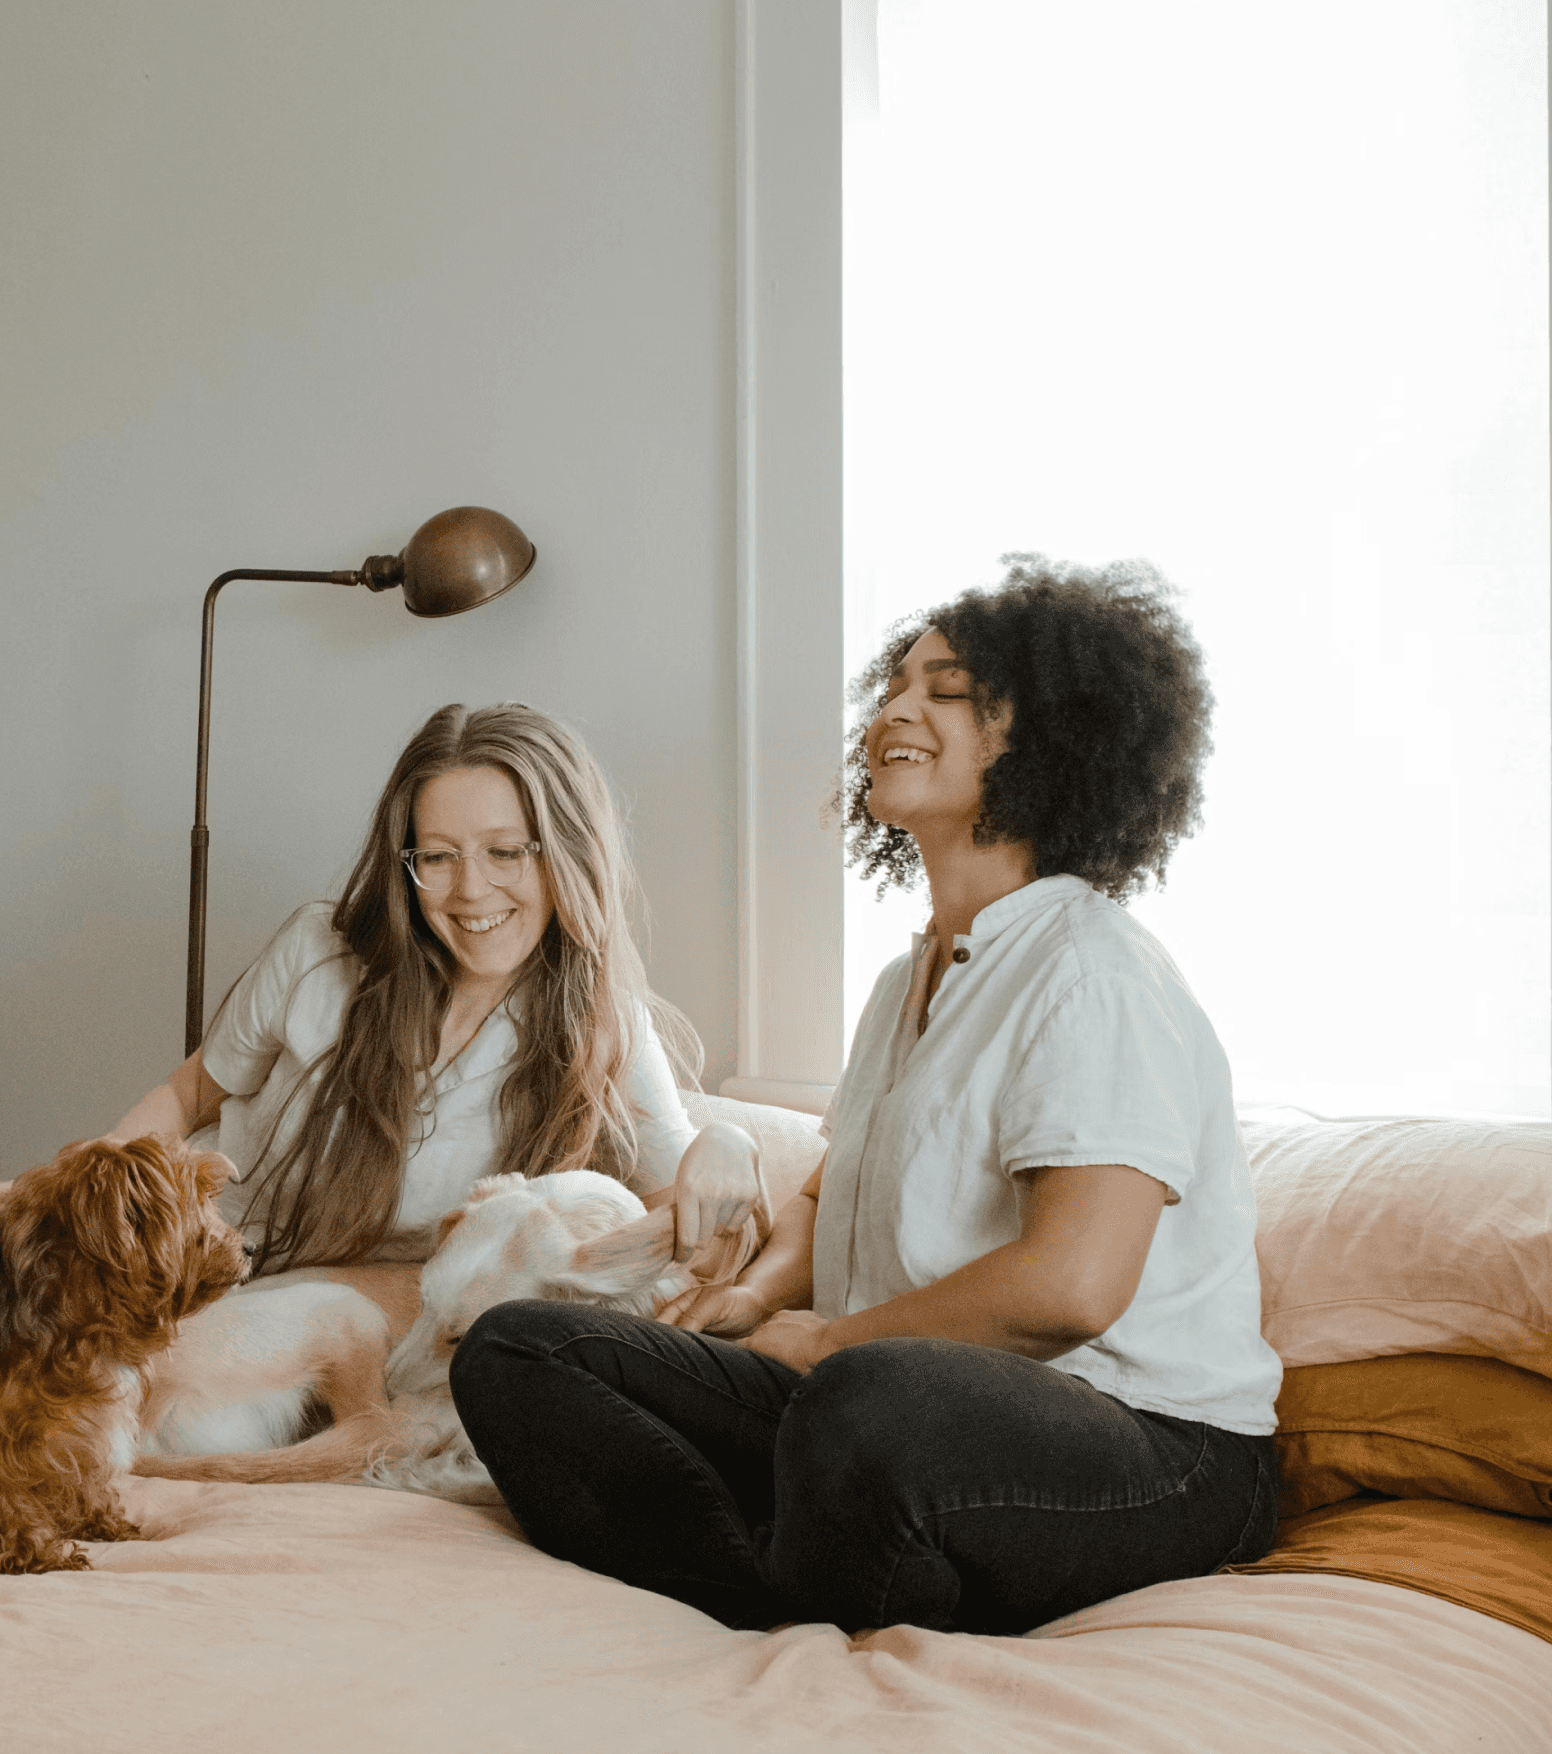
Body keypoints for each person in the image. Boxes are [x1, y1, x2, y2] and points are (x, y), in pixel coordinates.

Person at [450, 558, 1282, 1636]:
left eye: (945, 688)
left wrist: (833, 1345)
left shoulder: (1091, 970)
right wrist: (745, 1308)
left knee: (861, 1406)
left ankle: (809, 1552)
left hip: (1154, 1449)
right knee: (522, 1351)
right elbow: (827, 1192)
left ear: (1048, 735)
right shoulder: (909, 981)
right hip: (878, 1406)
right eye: (895, 684)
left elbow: (1072, 1284)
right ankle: (786, 1579)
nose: (895, 706)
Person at [80, 702, 763, 1279]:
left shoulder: (602, 1025)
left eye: (505, 852)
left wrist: (729, 1142)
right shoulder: (320, 949)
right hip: (199, 1273)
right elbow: (190, 1094)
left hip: (371, 1325)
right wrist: (86, 1180)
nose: (471, 889)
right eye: (437, 856)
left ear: (566, 854)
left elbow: (700, 1237)